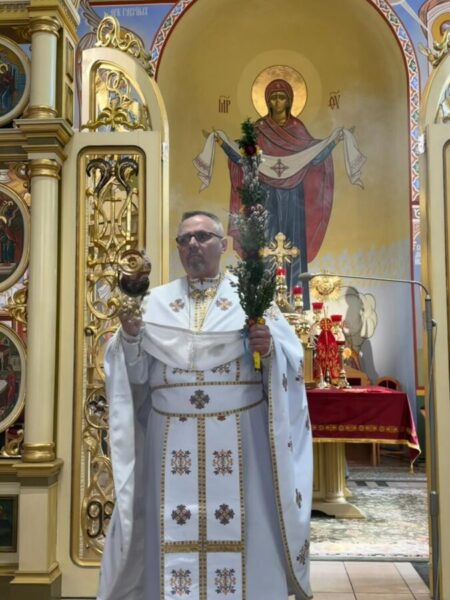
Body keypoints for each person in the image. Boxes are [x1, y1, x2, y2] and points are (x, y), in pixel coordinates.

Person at [97, 211, 313, 600]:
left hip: (241, 440)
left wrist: (269, 349)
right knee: (169, 526)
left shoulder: (252, 299)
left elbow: (290, 364)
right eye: (185, 240)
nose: (193, 245)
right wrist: (128, 338)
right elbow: (136, 376)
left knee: (248, 527)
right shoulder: (155, 303)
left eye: (202, 237)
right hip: (170, 440)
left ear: (223, 245)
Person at [193, 79, 365, 300]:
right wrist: (223, 143)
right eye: (273, 97)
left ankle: (294, 299)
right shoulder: (259, 129)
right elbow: (243, 159)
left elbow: (312, 157)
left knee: (293, 246)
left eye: (282, 97)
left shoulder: (297, 128)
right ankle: (262, 300)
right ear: (266, 101)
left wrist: (332, 142)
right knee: (265, 245)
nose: (277, 102)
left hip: (294, 198)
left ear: (290, 100)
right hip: (265, 198)